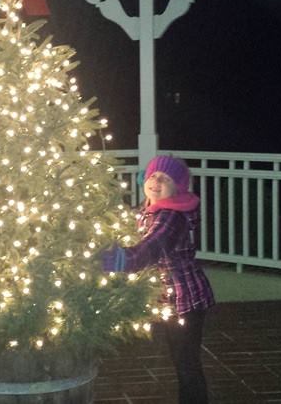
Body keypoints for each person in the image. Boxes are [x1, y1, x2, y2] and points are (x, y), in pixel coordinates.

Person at [101, 155, 214, 403]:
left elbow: (152, 247)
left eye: (165, 179)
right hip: (165, 297)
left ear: (178, 187)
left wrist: (118, 260)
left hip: (185, 299)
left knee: (186, 362)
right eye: (152, 176)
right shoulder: (148, 209)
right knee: (181, 358)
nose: (156, 182)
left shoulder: (172, 216)